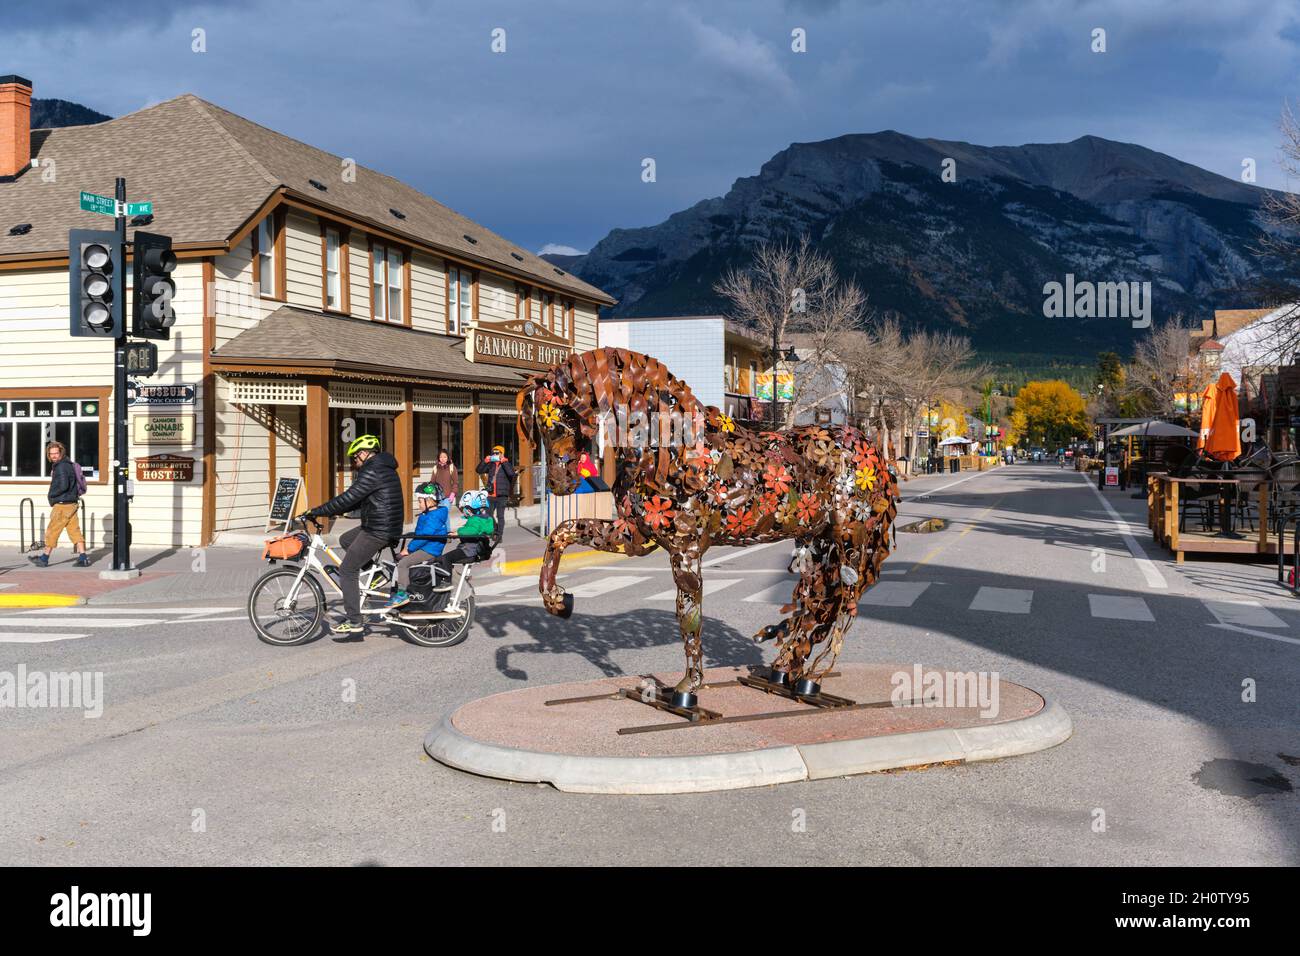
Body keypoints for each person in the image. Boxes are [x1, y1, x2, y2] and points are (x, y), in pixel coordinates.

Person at [300, 435, 403, 637]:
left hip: (379, 529)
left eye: (355, 458)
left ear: (364, 454)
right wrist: (335, 510)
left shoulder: (372, 469)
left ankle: (354, 620)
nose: (354, 462)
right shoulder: (382, 466)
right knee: (345, 539)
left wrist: (317, 511)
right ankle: (377, 576)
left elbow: (349, 497)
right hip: (383, 524)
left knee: (347, 570)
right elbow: (358, 500)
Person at [384, 482, 449, 610]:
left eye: (420, 501)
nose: (418, 505)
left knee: (403, 563)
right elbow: (421, 534)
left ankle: (402, 594)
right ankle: (401, 591)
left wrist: (408, 549)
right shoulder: (430, 514)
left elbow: (425, 535)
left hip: (430, 550)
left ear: (429, 501)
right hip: (426, 547)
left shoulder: (433, 517)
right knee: (399, 561)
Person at [30, 441, 89, 568]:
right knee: (74, 530)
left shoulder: (61, 466)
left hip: (62, 504)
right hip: (72, 503)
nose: (53, 456)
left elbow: (63, 485)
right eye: (51, 454)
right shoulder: (67, 464)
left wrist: (51, 495)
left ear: (61, 452)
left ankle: (44, 558)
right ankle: (83, 557)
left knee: (52, 531)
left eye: (56, 453)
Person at [434, 490, 495, 582]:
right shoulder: (486, 519)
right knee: (445, 559)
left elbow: (473, 530)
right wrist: (458, 532)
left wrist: (458, 532)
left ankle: (446, 582)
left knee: (445, 558)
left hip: (468, 551)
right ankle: (457, 577)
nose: (462, 512)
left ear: (469, 509)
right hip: (476, 551)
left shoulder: (475, 519)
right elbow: (477, 530)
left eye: (463, 509)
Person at [475, 444, 516, 544]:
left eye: (497, 453)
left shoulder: (507, 464)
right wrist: (485, 461)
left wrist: (504, 462)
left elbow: (511, 474)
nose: (495, 454)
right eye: (494, 453)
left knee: (500, 516)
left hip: (502, 495)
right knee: (488, 515)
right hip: (491, 495)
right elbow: (479, 470)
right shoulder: (491, 464)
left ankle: (499, 535)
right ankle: (495, 529)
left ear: (502, 454)